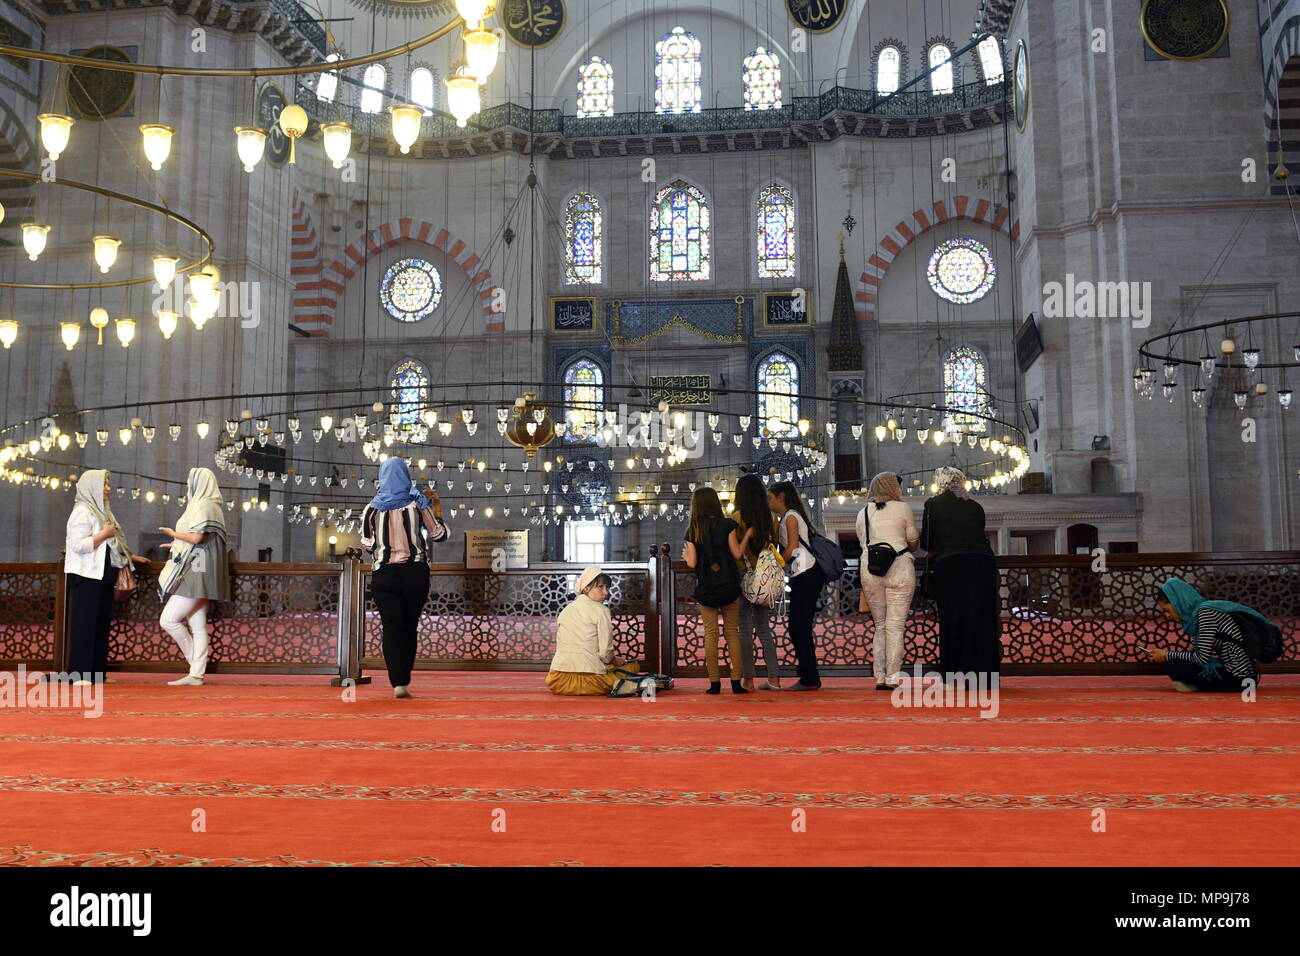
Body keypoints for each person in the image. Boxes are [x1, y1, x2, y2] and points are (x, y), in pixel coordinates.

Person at [359, 456, 449, 699]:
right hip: (414, 573)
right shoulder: (417, 504)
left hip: (384, 576)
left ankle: (396, 681)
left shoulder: (371, 508)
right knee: (409, 626)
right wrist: (436, 509)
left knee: (391, 628)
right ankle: (404, 681)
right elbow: (439, 535)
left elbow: (367, 545)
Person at [64, 470, 147, 685]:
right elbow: (78, 545)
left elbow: (112, 546)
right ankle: (79, 674)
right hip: (86, 576)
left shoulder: (103, 512)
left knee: (100, 626)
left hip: (103, 575)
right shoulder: (82, 511)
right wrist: (103, 534)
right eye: (104, 484)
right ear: (91, 487)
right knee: (85, 626)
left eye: (108, 484)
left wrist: (131, 556)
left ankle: (96, 674)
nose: (108, 488)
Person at [920, 466, 1000, 678]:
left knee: (954, 617)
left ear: (941, 482)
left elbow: (927, 542)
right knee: (981, 619)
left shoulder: (933, 504)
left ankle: (956, 671)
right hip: (983, 565)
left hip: (952, 565)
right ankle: (984, 674)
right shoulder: (975, 506)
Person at [158, 467, 231, 686]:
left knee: (168, 620)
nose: (188, 485)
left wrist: (173, 534)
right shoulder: (213, 506)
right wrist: (177, 543)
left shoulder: (203, 505)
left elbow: (197, 537)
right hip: (203, 570)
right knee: (197, 625)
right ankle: (196, 674)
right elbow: (201, 539)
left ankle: (195, 665)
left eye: (190, 481)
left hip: (197, 572)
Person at [856, 472, 919, 690]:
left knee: (880, 625)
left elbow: (863, 543)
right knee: (895, 625)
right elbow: (912, 542)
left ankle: (880, 676)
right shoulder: (903, 508)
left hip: (870, 570)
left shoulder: (863, 512)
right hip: (899, 568)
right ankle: (893, 677)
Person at [682, 487, 747, 695]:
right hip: (729, 585)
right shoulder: (727, 524)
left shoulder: (693, 530)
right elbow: (737, 554)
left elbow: (692, 562)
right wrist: (748, 537)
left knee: (711, 633)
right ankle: (736, 683)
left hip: (707, 588)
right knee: (731, 632)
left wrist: (685, 556)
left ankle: (714, 684)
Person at [1149, 578, 1262, 692]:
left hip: (1241, 678)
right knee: (1176, 662)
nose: (1167, 615)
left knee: (1174, 664)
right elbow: (1196, 654)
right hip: (1231, 671)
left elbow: (1201, 658)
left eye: (1167, 610)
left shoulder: (1206, 614)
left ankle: (1198, 686)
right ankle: (1197, 685)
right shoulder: (1195, 616)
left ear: (1178, 602)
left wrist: (1166, 655)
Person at [768, 480, 825, 691]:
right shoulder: (789, 516)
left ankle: (810, 678)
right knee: (799, 626)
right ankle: (808, 675)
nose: (768, 502)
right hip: (803, 573)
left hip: (807, 573)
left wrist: (774, 565)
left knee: (799, 626)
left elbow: (792, 547)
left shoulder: (791, 516)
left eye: (770, 498)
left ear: (781, 497)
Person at [546, 566, 637, 695]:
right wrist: (616, 660)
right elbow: (605, 655)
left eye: (607, 588)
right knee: (633, 666)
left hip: (558, 680)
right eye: (600, 587)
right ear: (586, 588)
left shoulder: (566, 610)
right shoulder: (602, 611)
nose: (606, 593)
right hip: (593, 680)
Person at [732, 473, 783, 691]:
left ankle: (749, 681)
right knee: (763, 628)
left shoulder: (736, 517)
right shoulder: (771, 518)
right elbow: (776, 547)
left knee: (744, 629)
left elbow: (734, 553)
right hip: (766, 580)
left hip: (745, 577)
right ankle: (774, 678)